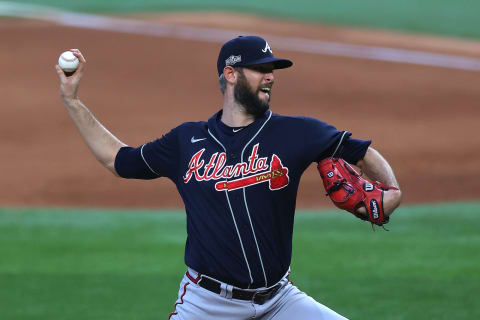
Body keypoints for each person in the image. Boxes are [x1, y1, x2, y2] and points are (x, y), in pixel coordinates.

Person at [55, 35, 402, 320]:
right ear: (231, 74)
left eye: (272, 70)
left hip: (279, 301)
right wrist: (72, 100)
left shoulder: (297, 132)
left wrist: (392, 191)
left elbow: (360, 151)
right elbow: (118, 159)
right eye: (260, 69)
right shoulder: (185, 142)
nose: (270, 76)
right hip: (207, 305)